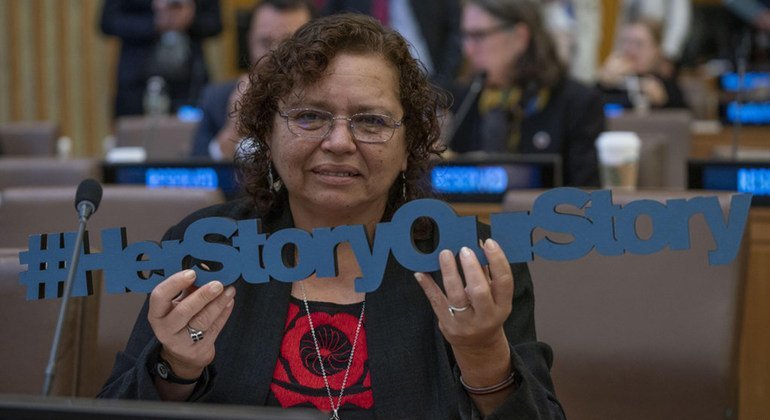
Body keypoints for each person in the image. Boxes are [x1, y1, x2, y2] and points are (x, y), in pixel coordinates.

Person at [98, 13, 564, 419]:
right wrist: (174, 369)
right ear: (267, 133)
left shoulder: (470, 263)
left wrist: (483, 356)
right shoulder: (208, 246)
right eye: (310, 117)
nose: (339, 142)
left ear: (409, 147)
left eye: (372, 121)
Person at [448, 0, 603, 187]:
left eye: (479, 36)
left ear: (520, 37)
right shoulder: (463, 99)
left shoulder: (577, 103)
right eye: (465, 36)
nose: (468, 50)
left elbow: (587, 197)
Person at [190, 0, 316, 159]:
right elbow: (197, 175)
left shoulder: (327, 102)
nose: (274, 56)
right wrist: (233, 130)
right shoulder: (217, 98)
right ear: (249, 41)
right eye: (265, 42)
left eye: (288, 44)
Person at [100, 0, 222, 118]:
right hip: (137, 81)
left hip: (190, 80)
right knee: (134, 134)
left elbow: (216, 22)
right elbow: (108, 22)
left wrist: (189, 18)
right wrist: (154, 23)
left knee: (194, 134)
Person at [322, 0, 463, 90]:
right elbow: (328, 29)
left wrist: (443, 82)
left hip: (428, 81)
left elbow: (456, 32)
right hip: (363, 82)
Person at [597, 18, 688, 110]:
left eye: (639, 44)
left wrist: (663, 102)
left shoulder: (666, 86)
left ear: (656, 50)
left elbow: (685, 118)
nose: (630, 50)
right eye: (625, 42)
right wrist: (602, 85)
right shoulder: (608, 84)